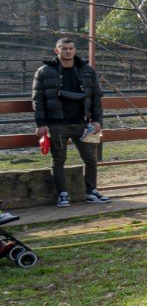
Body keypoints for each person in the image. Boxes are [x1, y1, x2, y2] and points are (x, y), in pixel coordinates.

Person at [33, 37, 110, 207]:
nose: (68, 51)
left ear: (75, 50)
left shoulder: (87, 70)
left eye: (71, 48)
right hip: (56, 124)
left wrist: (97, 120)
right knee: (59, 159)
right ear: (57, 50)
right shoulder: (44, 72)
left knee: (90, 159)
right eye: (64, 48)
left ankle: (92, 192)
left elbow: (96, 98)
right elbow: (38, 100)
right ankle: (63, 194)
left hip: (83, 124)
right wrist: (41, 124)